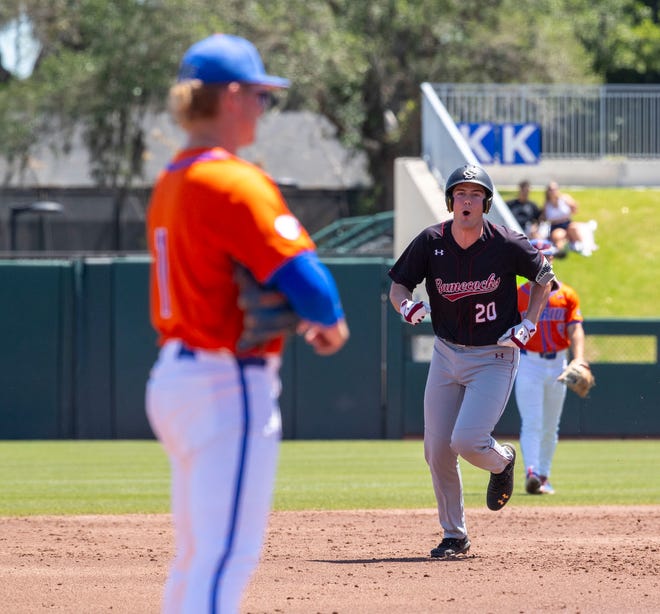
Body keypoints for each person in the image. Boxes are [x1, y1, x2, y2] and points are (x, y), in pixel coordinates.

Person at [145, 33, 350, 614]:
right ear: (231, 96)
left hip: (178, 377)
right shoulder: (232, 181)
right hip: (225, 382)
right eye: (260, 96)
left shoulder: (171, 180)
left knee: (197, 557)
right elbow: (310, 283)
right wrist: (328, 323)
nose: (263, 108)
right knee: (224, 558)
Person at [388, 163, 556, 559]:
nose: (467, 201)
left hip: (494, 354)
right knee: (436, 449)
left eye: (475, 194)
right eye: (460, 194)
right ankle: (454, 534)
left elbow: (544, 278)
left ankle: (503, 462)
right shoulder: (431, 241)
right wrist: (405, 306)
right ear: (450, 202)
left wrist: (529, 323)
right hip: (447, 353)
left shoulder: (506, 242)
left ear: (486, 203)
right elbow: (398, 284)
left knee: (466, 441)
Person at [515, 239, 587, 495]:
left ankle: (543, 475)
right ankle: (531, 472)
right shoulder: (520, 294)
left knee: (550, 425)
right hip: (529, 362)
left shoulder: (566, 295)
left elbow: (575, 329)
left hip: (558, 363)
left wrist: (579, 358)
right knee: (532, 421)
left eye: (549, 256)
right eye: (540, 255)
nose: (546, 260)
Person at [542, 181, 586, 255]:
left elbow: (575, 210)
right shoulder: (547, 204)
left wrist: (572, 205)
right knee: (558, 236)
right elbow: (545, 218)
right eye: (551, 190)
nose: (553, 191)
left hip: (567, 223)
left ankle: (582, 247)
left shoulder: (565, 198)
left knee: (574, 228)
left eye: (555, 189)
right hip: (556, 226)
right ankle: (563, 249)